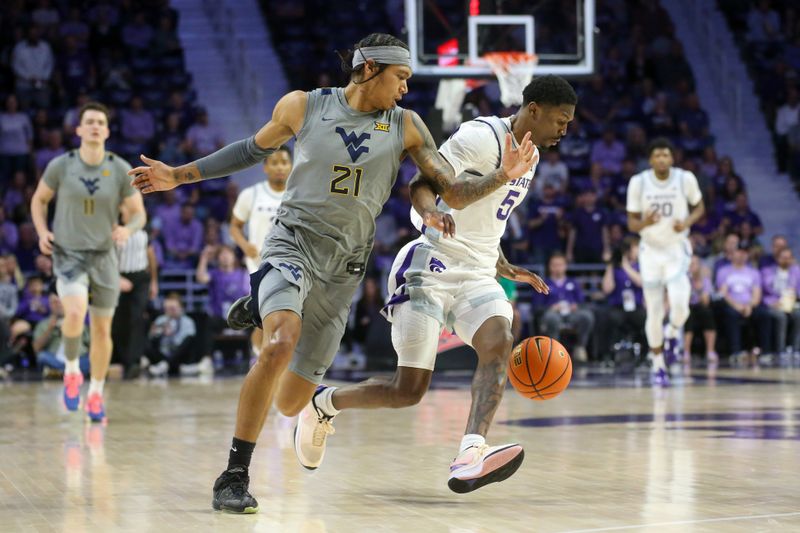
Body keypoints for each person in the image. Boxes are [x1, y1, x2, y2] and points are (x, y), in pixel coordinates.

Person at [129, 33, 537, 513]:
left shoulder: (406, 125)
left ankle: (269, 315)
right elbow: (248, 150)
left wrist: (500, 177)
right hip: (293, 243)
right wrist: (179, 175)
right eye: (400, 77)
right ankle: (234, 473)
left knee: (288, 402)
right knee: (279, 342)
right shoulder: (304, 106)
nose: (406, 89)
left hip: (343, 269)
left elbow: (448, 190)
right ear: (368, 68)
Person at [292, 75, 575, 494]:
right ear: (533, 110)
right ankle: (324, 402)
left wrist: (503, 264)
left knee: (499, 342)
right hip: (431, 264)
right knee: (408, 391)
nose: (564, 131)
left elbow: (486, 220)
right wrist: (430, 213)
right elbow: (424, 185)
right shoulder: (480, 136)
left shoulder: (530, 156)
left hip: (478, 272)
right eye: (561, 120)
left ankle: (470, 451)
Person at [30, 101, 146, 421]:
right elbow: (39, 201)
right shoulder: (61, 165)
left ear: (107, 131)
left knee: (101, 329)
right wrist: (41, 231)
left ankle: (95, 393)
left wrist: (127, 228)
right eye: (89, 122)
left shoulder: (120, 168)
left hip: (105, 257)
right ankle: (70, 371)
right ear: (78, 129)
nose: (95, 126)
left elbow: (139, 214)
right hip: (68, 253)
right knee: (75, 311)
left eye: (100, 122)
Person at [626, 137, 705, 387]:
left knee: (682, 307)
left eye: (666, 155)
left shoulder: (685, 179)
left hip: (675, 249)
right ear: (650, 160)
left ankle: (672, 333)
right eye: (657, 155)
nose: (662, 159)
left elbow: (699, 207)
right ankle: (659, 365)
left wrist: (688, 222)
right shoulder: (638, 182)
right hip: (650, 251)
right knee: (655, 310)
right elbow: (631, 223)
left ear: (672, 158)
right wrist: (645, 223)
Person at [229, 146, 292, 357]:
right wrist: (245, 244)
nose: (280, 167)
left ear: (291, 166)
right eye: (274, 162)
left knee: (282, 317)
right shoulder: (251, 194)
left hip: (290, 263)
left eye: (284, 162)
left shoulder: (297, 195)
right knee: (263, 317)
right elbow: (234, 226)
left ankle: (272, 361)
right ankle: (259, 359)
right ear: (265, 167)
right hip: (258, 264)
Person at [683, 254, 718, 366]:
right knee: (688, 315)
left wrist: (699, 284)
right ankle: (686, 351)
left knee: (707, 312)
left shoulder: (705, 280)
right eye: (690, 264)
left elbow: (705, 300)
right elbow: (684, 299)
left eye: (694, 264)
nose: (692, 266)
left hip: (701, 307)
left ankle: (710, 351)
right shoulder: (683, 279)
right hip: (687, 307)